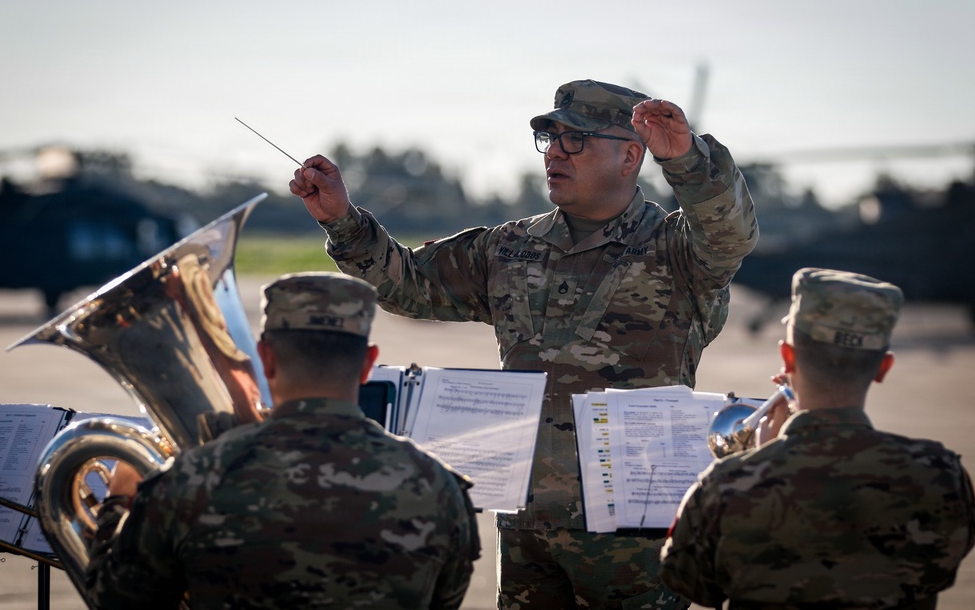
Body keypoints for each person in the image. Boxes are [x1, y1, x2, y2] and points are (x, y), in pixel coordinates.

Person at [290, 79, 759, 609]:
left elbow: (731, 235)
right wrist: (343, 222)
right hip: (528, 527)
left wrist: (688, 161)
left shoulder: (678, 249)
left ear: (630, 156)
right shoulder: (510, 246)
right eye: (550, 137)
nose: (555, 151)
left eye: (576, 138)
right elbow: (409, 284)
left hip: (636, 536)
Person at [85, 272, 481, 609]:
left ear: (266, 358)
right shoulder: (440, 488)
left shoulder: (189, 480)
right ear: (367, 364)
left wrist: (118, 502)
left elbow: (116, 601)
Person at [660, 267, 975, 609]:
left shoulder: (728, 485)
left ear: (787, 357)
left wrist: (760, 463)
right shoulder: (941, 475)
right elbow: (945, 565)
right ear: (883, 367)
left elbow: (686, 580)